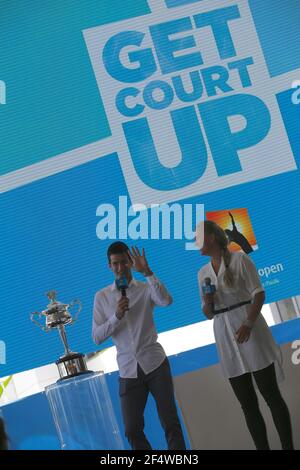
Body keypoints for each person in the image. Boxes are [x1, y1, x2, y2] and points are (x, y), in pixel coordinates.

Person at [196, 220, 294, 450]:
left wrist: (248, 323)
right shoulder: (202, 273)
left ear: (211, 238)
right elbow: (208, 313)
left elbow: (259, 293)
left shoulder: (241, 260)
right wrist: (208, 302)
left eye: (199, 238)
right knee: (247, 405)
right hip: (225, 335)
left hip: (251, 331)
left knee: (271, 395)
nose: (196, 243)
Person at [92, 242, 186, 450]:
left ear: (130, 262)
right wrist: (115, 316)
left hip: (155, 363)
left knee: (170, 421)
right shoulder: (102, 297)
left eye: (124, 262)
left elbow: (166, 301)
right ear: (109, 266)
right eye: (115, 264)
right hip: (128, 369)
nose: (120, 268)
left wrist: (148, 272)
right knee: (132, 429)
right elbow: (97, 337)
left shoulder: (145, 288)